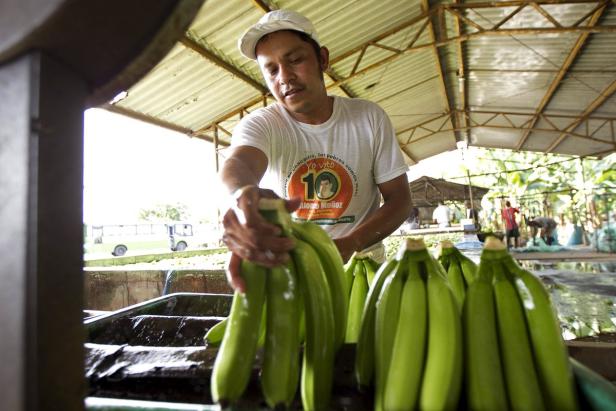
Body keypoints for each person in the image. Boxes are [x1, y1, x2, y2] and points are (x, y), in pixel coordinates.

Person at [220, 10, 411, 291]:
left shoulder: (368, 117)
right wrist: (241, 194)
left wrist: (350, 244)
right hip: (290, 272)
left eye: (295, 60)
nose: (284, 77)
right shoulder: (262, 125)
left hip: (364, 270)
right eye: (271, 70)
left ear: (322, 58)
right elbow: (239, 164)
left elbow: (399, 200)